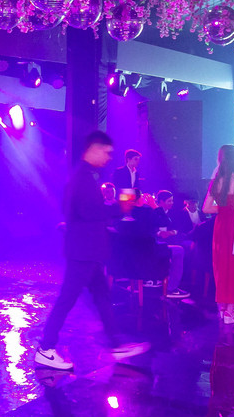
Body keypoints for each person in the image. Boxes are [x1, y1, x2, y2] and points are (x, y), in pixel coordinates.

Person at [36, 131, 150, 371]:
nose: (109, 158)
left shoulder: (82, 176)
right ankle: (45, 348)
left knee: (101, 296)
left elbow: (75, 210)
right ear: (94, 149)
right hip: (83, 251)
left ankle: (117, 343)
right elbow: (90, 213)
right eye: (107, 153)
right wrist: (122, 207)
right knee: (68, 299)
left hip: (86, 250)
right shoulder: (83, 178)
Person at [203, 144, 234, 324]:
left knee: (221, 267)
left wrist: (223, 208)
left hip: (221, 229)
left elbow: (206, 208)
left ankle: (222, 309)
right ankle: (230, 312)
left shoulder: (216, 182)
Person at [152, 190, 191, 299]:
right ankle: (170, 287)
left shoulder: (175, 213)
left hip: (171, 240)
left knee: (181, 248)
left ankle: (173, 284)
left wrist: (171, 232)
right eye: (169, 201)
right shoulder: (153, 213)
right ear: (161, 202)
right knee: (177, 251)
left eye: (172, 201)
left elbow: (181, 228)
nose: (172, 203)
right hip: (157, 243)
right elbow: (151, 229)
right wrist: (159, 233)